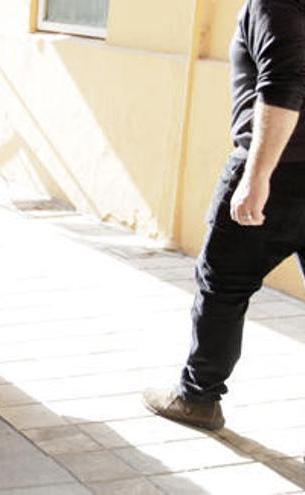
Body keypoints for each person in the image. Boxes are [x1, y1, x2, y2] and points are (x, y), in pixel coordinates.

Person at [143, 0, 305, 430]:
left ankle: (197, 397)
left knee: (223, 288)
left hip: (276, 172)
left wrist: (256, 177)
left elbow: (283, 84)